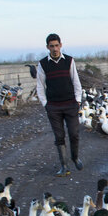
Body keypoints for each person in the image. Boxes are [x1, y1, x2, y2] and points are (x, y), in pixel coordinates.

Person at [36, 33, 83, 176]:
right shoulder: (43, 64)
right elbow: (40, 86)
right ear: (47, 47)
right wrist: (45, 104)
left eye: (57, 45)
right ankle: (64, 166)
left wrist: (78, 100)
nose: (55, 49)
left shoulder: (69, 61)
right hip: (53, 107)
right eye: (52, 46)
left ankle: (75, 157)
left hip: (70, 104)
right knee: (59, 136)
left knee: (74, 134)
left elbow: (76, 81)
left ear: (61, 45)